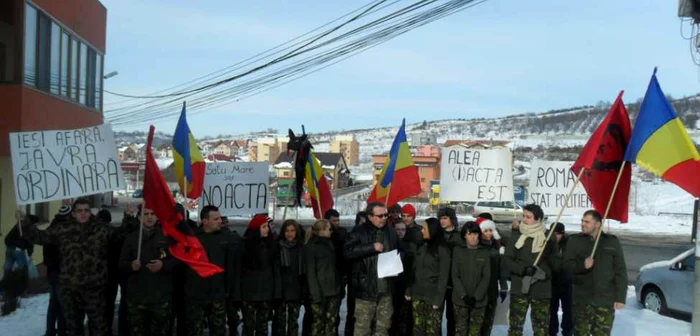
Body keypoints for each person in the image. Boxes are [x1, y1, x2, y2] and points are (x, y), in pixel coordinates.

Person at [21, 198, 138, 335]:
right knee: (74, 330)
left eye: (86, 210)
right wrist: (24, 221)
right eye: (79, 211)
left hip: (95, 290)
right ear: (73, 214)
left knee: (100, 329)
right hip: (70, 291)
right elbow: (38, 237)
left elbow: (121, 235)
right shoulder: (63, 229)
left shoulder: (100, 229)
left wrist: (129, 217)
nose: (83, 213)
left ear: (90, 212)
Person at [564, 210, 627, 336]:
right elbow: (566, 266)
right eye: (582, 221)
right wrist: (582, 265)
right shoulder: (574, 240)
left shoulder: (611, 241)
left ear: (598, 224)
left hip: (605, 299)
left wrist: (620, 297)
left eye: (587, 221)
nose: (583, 224)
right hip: (582, 299)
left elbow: (620, 270)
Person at [119, 206, 178, 336]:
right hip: (137, 297)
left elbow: (176, 261)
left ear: (157, 217)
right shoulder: (132, 238)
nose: (149, 217)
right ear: (139, 217)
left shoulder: (167, 236)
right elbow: (120, 264)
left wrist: (163, 264)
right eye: (146, 214)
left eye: (153, 214)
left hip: (160, 296)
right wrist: (131, 266)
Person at [344, 202, 400, 336]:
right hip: (366, 290)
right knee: (362, 329)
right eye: (380, 216)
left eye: (386, 215)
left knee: (383, 328)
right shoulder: (359, 231)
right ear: (370, 217)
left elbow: (400, 250)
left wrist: (396, 259)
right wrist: (371, 247)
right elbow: (347, 252)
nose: (384, 218)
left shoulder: (391, 231)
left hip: (385, 290)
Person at [184, 205, 241, 336]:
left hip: (218, 295)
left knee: (218, 330)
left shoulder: (227, 238)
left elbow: (232, 265)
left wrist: (229, 291)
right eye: (216, 219)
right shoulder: (192, 239)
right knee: (194, 331)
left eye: (219, 218)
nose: (220, 221)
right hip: (195, 295)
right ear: (205, 221)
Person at [505, 204, 560, 336]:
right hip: (520, 288)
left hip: (541, 289)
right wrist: (522, 270)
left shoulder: (548, 237)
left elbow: (557, 265)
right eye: (523, 216)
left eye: (528, 217)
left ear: (538, 219)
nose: (524, 219)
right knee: (515, 329)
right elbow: (507, 260)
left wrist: (551, 250)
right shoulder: (517, 234)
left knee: (541, 330)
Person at [404, 217, 450, 336]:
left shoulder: (442, 249)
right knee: (417, 329)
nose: (421, 231)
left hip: (432, 297)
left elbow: (444, 276)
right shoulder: (421, 246)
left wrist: (438, 299)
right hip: (417, 294)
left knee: (432, 331)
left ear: (433, 230)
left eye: (424, 228)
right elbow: (413, 270)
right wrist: (409, 289)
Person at [241, 214, 281, 335]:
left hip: (266, 294)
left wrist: (276, 293)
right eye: (263, 227)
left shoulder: (272, 245)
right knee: (248, 326)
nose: (267, 229)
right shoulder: (244, 246)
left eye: (267, 226)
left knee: (262, 327)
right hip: (249, 294)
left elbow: (276, 271)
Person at [452, 222, 491, 336]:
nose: (473, 237)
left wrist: (477, 296)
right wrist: (463, 295)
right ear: (464, 235)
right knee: (460, 331)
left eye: (475, 234)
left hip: (479, 301)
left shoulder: (485, 252)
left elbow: (486, 277)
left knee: (475, 332)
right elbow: (455, 275)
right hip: (460, 300)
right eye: (469, 234)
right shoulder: (458, 251)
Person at [305, 219, 343, 336]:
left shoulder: (330, 244)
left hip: (333, 291)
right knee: (318, 325)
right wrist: (315, 295)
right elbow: (310, 272)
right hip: (320, 293)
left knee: (331, 324)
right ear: (322, 230)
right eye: (329, 229)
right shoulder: (311, 247)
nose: (331, 232)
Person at [274, 220, 305, 336]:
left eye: (292, 230)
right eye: (287, 231)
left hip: (296, 290)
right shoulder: (278, 247)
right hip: (281, 290)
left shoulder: (301, 248)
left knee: (293, 322)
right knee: (280, 323)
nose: (290, 233)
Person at [478, 219, 509, 336]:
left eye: (490, 230)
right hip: (478, 289)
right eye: (485, 231)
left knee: (489, 319)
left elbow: (502, 270)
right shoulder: (477, 248)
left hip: (492, 289)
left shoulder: (498, 249)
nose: (488, 233)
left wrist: (504, 287)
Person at [44, 205, 71, 336]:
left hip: (52, 272)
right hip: (62, 273)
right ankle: (62, 331)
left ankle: (50, 330)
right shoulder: (65, 231)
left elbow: (46, 255)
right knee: (63, 304)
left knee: (53, 303)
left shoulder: (50, 229)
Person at [344, 211, 369, 336]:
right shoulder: (352, 236)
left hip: (367, 283)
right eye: (362, 222)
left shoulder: (371, 236)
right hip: (355, 280)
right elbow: (348, 255)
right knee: (353, 312)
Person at [438, 206, 461, 336]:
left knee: (452, 317)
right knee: (436, 316)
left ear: (452, 219)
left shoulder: (459, 236)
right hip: (439, 281)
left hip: (454, 283)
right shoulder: (437, 235)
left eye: (445, 218)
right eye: (440, 218)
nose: (442, 221)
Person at [324, 208, 348, 335]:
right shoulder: (322, 235)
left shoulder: (343, 233)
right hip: (324, 278)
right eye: (334, 221)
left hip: (338, 276)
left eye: (338, 220)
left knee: (335, 311)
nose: (337, 223)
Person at [548, 222, 572, 336]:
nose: (555, 236)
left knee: (568, 310)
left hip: (567, 283)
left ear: (562, 234)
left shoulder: (570, 244)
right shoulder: (548, 244)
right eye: (553, 233)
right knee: (552, 310)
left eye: (557, 234)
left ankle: (567, 332)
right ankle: (552, 331)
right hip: (552, 282)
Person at [390, 221, 412, 336]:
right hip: (392, 285)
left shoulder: (410, 245)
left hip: (404, 285)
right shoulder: (390, 243)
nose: (400, 232)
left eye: (403, 229)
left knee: (403, 317)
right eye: (397, 229)